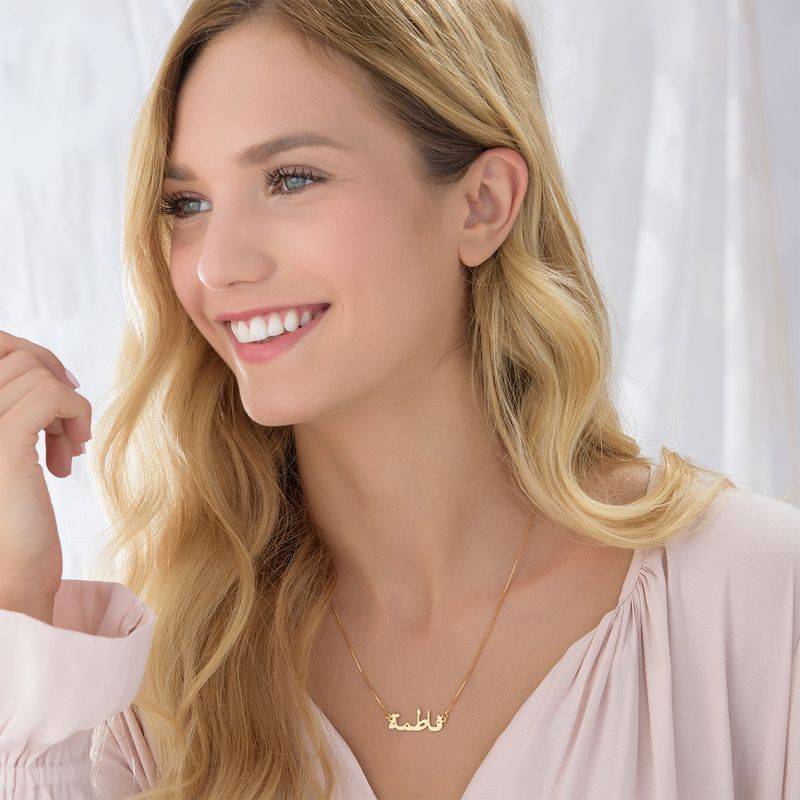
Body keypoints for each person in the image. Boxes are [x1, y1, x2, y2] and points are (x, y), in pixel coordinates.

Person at [0, 1, 798, 798]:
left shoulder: (755, 600)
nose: (216, 267)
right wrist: (16, 601)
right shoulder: (168, 679)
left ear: (483, 204)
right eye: (188, 204)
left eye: (291, 179)